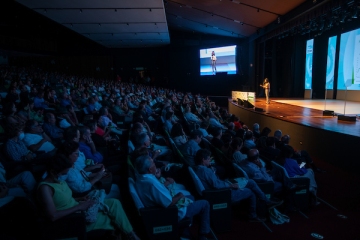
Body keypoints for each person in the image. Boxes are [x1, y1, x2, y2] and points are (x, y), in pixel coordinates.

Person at [37, 156, 140, 240]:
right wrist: (79, 207)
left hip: (78, 208)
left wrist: (81, 199)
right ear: (52, 172)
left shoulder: (59, 181)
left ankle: (130, 234)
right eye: (64, 173)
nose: (65, 176)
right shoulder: (45, 188)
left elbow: (67, 200)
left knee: (114, 203)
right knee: (114, 219)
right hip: (74, 219)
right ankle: (131, 235)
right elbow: (53, 216)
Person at [134, 155, 211, 240]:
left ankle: (185, 232)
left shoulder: (141, 178)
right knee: (205, 204)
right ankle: (202, 235)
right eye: (153, 163)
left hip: (159, 209)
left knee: (191, 197)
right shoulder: (151, 183)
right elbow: (169, 202)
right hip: (169, 212)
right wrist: (179, 195)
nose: (155, 164)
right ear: (150, 169)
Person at [193, 149, 283, 222]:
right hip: (222, 193)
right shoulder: (206, 171)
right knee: (250, 192)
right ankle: (254, 214)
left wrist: (215, 174)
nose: (210, 160)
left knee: (250, 182)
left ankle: (265, 201)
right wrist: (231, 185)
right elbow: (217, 185)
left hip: (221, 187)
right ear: (203, 160)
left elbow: (214, 181)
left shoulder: (199, 168)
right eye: (208, 159)